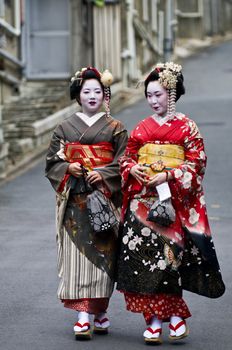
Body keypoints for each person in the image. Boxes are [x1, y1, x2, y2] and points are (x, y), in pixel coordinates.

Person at [116, 62, 225, 344]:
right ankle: (153, 321)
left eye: (159, 95)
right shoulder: (141, 128)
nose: (153, 101)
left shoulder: (187, 127)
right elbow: (127, 158)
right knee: (142, 263)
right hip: (141, 206)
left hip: (169, 204)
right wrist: (133, 169)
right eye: (149, 95)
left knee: (167, 263)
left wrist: (168, 175)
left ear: (172, 94)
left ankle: (174, 317)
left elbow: (197, 164)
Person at [45, 67, 128, 339]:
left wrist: (103, 173)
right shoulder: (64, 128)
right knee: (77, 258)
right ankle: (83, 314)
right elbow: (52, 162)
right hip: (74, 201)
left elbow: (124, 162)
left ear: (105, 95)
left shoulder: (115, 128)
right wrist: (69, 167)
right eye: (86, 91)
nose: (92, 96)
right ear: (77, 95)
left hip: (104, 199)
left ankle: (100, 311)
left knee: (104, 257)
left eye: (97, 91)